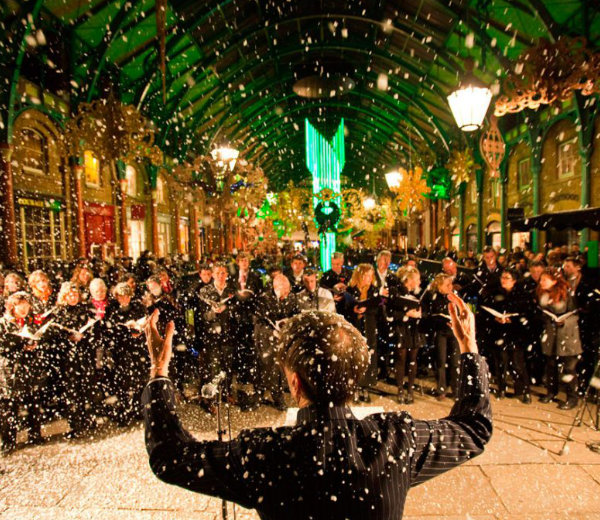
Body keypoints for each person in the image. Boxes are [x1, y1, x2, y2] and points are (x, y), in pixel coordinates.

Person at [142, 293, 491, 519]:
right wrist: (469, 348)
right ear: (355, 377)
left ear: (295, 383)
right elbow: (474, 428)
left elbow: (169, 457)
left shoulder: (265, 454)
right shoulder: (396, 440)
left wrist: (159, 372)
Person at [480, 269, 532, 403]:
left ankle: (524, 390)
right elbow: (487, 310)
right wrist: (495, 318)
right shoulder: (495, 293)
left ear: (514, 280)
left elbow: (525, 313)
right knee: (500, 362)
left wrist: (512, 319)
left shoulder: (521, 295)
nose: (503, 280)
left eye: (507, 278)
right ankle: (501, 388)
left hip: (515, 333)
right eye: (502, 277)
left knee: (517, 363)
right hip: (499, 332)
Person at [537, 268, 582, 410]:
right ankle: (551, 392)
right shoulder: (542, 294)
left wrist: (564, 321)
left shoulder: (566, 294)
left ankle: (572, 398)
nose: (541, 282)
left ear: (554, 281)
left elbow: (575, 313)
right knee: (551, 366)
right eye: (541, 279)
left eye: (545, 280)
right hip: (551, 334)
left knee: (568, 368)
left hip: (567, 335)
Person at [421, 273, 460, 400]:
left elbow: (461, 311)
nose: (450, 287)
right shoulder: (431, 296)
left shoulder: (454, 296)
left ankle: (456, 389)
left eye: (451, 284)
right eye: (447, 285)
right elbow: (426, 313)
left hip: (454, 332)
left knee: (455, 362)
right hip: (440, 331)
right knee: (441, 360)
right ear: (439, 286)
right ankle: (441, 388)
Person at [389, 266, 424, 404]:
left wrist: (419, 314)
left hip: (414, 329)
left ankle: (410, 389)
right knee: (401, 359)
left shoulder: (419, 294)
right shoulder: (396, 292)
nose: (419, 282)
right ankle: (400, 389)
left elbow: (424, 310)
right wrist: (406, 314)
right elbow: (390, 312)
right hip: (401, 329)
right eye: (417, 279)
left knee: (412, 360)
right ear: (409, 280)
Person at [346, 263, 379, 402]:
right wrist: (353, 310)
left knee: (368, 356)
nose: (369, 279)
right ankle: (354, 386)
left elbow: (378, 309)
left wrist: (367, 309)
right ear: (359, 275)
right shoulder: (350, 290)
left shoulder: (374, 290)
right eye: (366, 276)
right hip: (355, 326)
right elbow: (344, 308)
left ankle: (366, 386)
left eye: (371, 276)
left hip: (369, 326)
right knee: (354, 356)